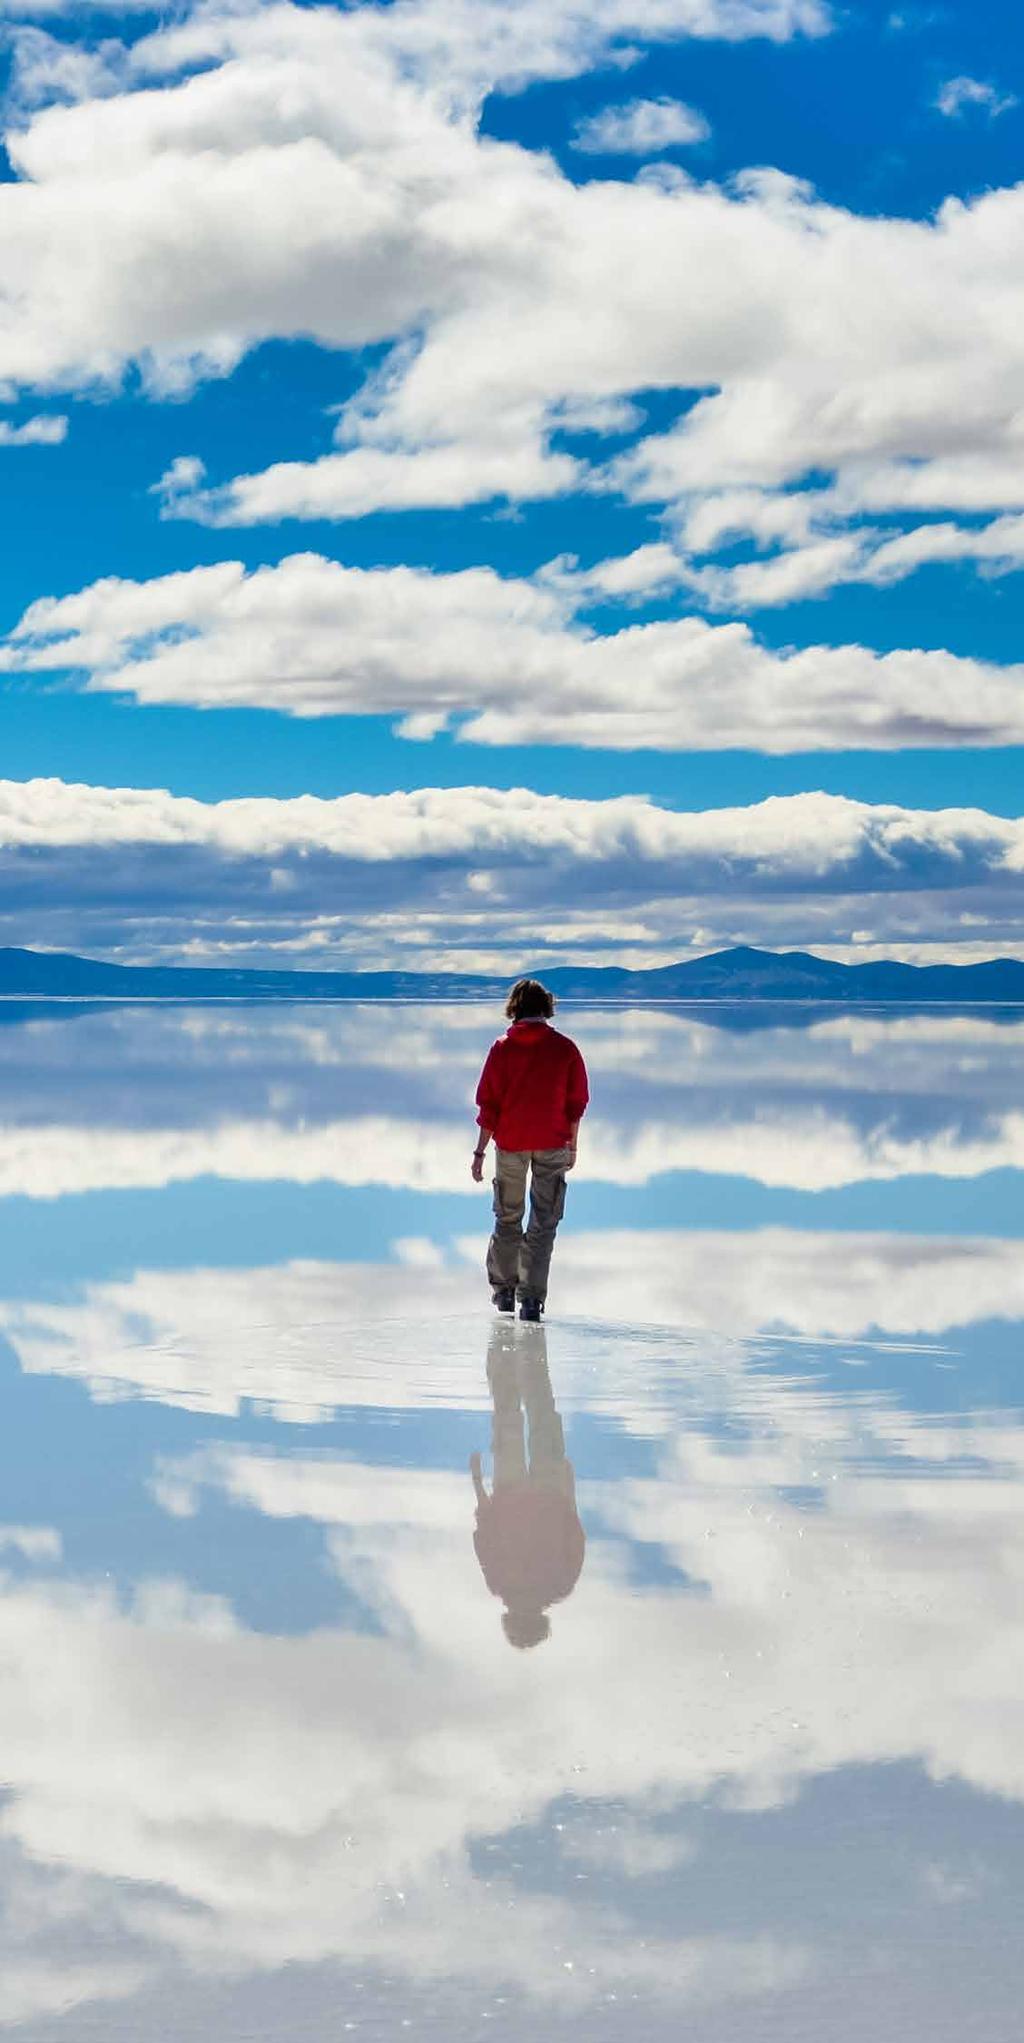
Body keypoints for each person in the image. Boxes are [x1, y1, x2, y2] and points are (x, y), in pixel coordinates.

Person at [471, 977, 589, 1321]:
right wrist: (573, 1145)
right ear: (546, 1008)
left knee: (507, 1217)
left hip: (510, 1144)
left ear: (515, 1009)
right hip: (552, 1143)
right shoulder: (565, 1048)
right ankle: (531, 1300)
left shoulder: (502, 1048)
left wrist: (479, 1152)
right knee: (543, 1223)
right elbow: (576, 1103)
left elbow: (488, 1106)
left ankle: (504, 1291)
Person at [470, 1321, 586, 1648]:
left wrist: (569, 1485)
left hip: (548, 1492)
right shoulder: (500, 1583)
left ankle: (529, 1357)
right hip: (513, 1492)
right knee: (509, 1415)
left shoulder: (560, 1585)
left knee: (540, 1412)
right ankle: (511, 1356)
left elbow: (574, 1531)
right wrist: (477, 1481)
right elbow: (484, 1527)